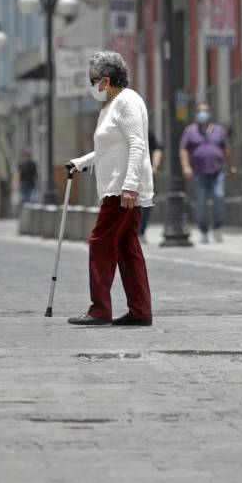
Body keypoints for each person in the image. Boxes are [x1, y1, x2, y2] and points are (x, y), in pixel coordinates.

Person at [65, 50, 154, 327]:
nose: (92, 86)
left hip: (122, 190)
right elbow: (108, 150)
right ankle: (140, 310)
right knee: (127, 248)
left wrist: (129, 187)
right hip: (117, 188)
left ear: (106, 79)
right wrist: (81, 163)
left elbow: (137, 144)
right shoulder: (109, 107)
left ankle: (99, 308)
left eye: (93, 80)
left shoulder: (126, 102)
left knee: (100, 243)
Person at [180, 102, 234, 243]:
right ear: (196, 114)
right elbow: (184, 149)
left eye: (205, 110)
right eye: (199, 111)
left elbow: (226, 149)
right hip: (199, 173)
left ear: (210, 112)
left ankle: (217, 228)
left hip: (218, 172)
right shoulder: (190, 131)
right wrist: (186, 166)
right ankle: (204, 230)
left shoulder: (219, 130)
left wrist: (231, 166)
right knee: (201, 203)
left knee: (219, 197)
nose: (202, 113)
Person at [138, 131, 163, 243]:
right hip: (130, 173)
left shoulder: (146, 131)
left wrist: (155, 166)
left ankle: (141, 231)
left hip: (147, 173)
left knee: (147, 203)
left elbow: (157, 148)